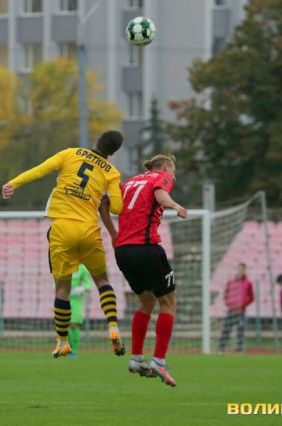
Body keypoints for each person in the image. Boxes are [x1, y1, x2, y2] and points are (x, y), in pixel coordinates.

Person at [2, 130, 126, 358]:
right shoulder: (112, 172)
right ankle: (113, 327)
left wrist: (13, 184)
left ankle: (62, 342)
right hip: (89, 230)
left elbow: (41, 169)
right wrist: (107, 198)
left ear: (97, 139)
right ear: (112, 153)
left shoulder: (70, 153)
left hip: (61, 229)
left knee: (62, 289)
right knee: (102, 281)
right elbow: (117, 209)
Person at [112, 154, 188, 387]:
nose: (173, 177)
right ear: (165, 166)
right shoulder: (160, 177)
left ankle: (136, 358)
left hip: (122, 251)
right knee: (169, 303)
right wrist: (175, 205)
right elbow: (160, 194)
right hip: (146, 248)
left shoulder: (128, 182)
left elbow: (105, 204)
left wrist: (114, 235)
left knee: (146, 302)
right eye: (173, 172)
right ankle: (159, 361)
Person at [53, 264, 92, 357]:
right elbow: (55, 284)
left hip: (77, 301)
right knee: (66, 325)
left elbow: (88, 284)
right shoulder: (63, 265)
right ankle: (67, 346)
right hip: (64, 299)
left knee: (74, 325)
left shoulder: (82, 269)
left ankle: (74, 349)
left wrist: (82, 289)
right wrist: (64, 289)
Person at [217, 262, 254, 354]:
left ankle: (239, 350)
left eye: (243, 269)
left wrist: (243, 304)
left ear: (245, 270)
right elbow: (226, 294)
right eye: (240, 269)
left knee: (240, 331)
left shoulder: (248, 283)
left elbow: (251, 297)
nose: (241, 271)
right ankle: (220, 349)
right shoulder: (231, 281)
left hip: (240, 311)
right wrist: (228, 304)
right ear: (237, 269)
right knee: (226, 330)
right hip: (231, 310)